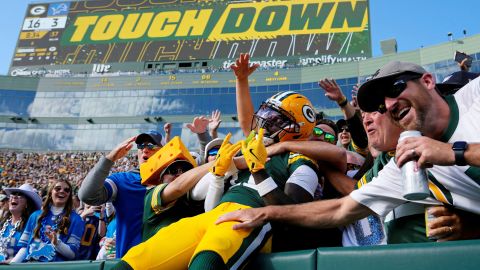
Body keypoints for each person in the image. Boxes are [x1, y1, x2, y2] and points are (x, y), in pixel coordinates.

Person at [217, 60, 480, 242]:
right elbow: (341, 209)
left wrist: (456, 152)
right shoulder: (403, 163)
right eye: (380, 104)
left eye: (394, 89)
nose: (388, 105)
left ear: (428, 80)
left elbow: (343, 155)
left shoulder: (475, 98)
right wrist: (264, 212)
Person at [115, 91, 321, 270]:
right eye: (266, 113)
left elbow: (291, 215)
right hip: (214, 214)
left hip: (250, 216)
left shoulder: (301, 161)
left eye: (276, 119)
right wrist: (217, 173)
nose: (266, 121)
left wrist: (259, 170)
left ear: (298, 129)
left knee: (206, 262)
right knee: (135, 260)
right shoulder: (243, 149)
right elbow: (198, 195)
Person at [78, 130, 163, 258]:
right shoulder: (122, 180)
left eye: (151, 146)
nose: (145, 150)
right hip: (129, 263)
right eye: (141, 146)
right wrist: (110, 158)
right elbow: (87, 195)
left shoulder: (174, 179)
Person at [11, 179, 84, 262]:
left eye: (66, 190)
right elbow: (24, 248)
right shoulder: (35, 216)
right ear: (50, 193)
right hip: (30, 265)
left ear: (69, 195)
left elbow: (72, 255)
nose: (62, 191)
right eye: (57, 188)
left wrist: (57, 243)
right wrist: (13, 264)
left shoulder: (76, 219)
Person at [0, 184, 42, 262]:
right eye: (13, 194)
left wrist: (10, 262)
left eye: (20, 195)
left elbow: (30, 251)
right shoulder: (3, 222)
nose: (14, 197)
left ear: (27, 204)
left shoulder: (31, 225)